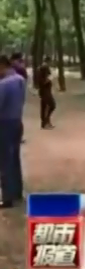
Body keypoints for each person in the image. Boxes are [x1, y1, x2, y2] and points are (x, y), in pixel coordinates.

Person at [0, 55, 26, 208]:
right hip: (17, 121)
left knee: (5, 161)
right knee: (14, 159)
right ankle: (16, 192)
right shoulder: (20, 80)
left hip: (4, 124)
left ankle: (7, 197)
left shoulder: (3, 84)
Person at [37, 57, 56, 129]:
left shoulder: (43, 68)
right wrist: (49, 79)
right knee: (51, 105)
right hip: (45, 91)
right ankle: (45, 122)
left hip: (45, 90)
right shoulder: (44, 68)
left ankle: (45, 122)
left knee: (45, 106)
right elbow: (43, 81)